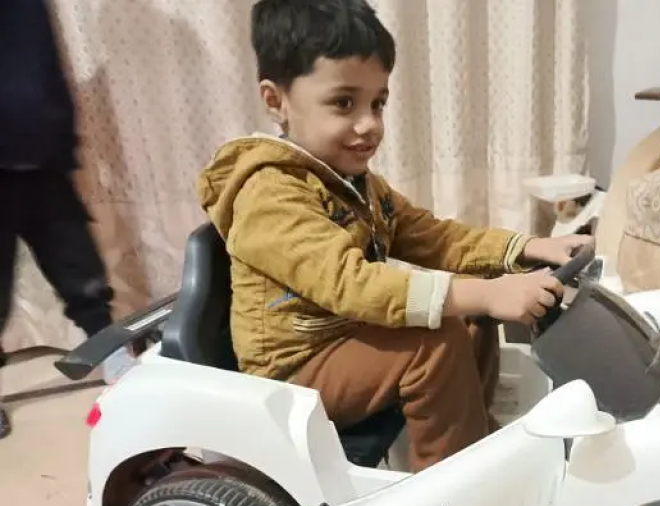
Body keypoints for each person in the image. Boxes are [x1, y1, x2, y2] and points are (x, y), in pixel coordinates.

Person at [197, 0, 592, 471]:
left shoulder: (352, 182)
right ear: (275, 100)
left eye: (377, 103)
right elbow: (351, 284)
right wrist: (488, 293)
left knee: (469, 315)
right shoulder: (268, 193)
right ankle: (450, 485)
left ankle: (472, 435)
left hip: (346, 334)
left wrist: (526, 247)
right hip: (293, 370)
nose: (369, 124)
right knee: (435, 344)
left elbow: (432, 237)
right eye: (344, 103)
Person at [0, 0, 129, 439]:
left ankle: (116, 362)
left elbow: (46, 63)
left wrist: (62, 137)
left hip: (42, 155)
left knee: (81, 271)